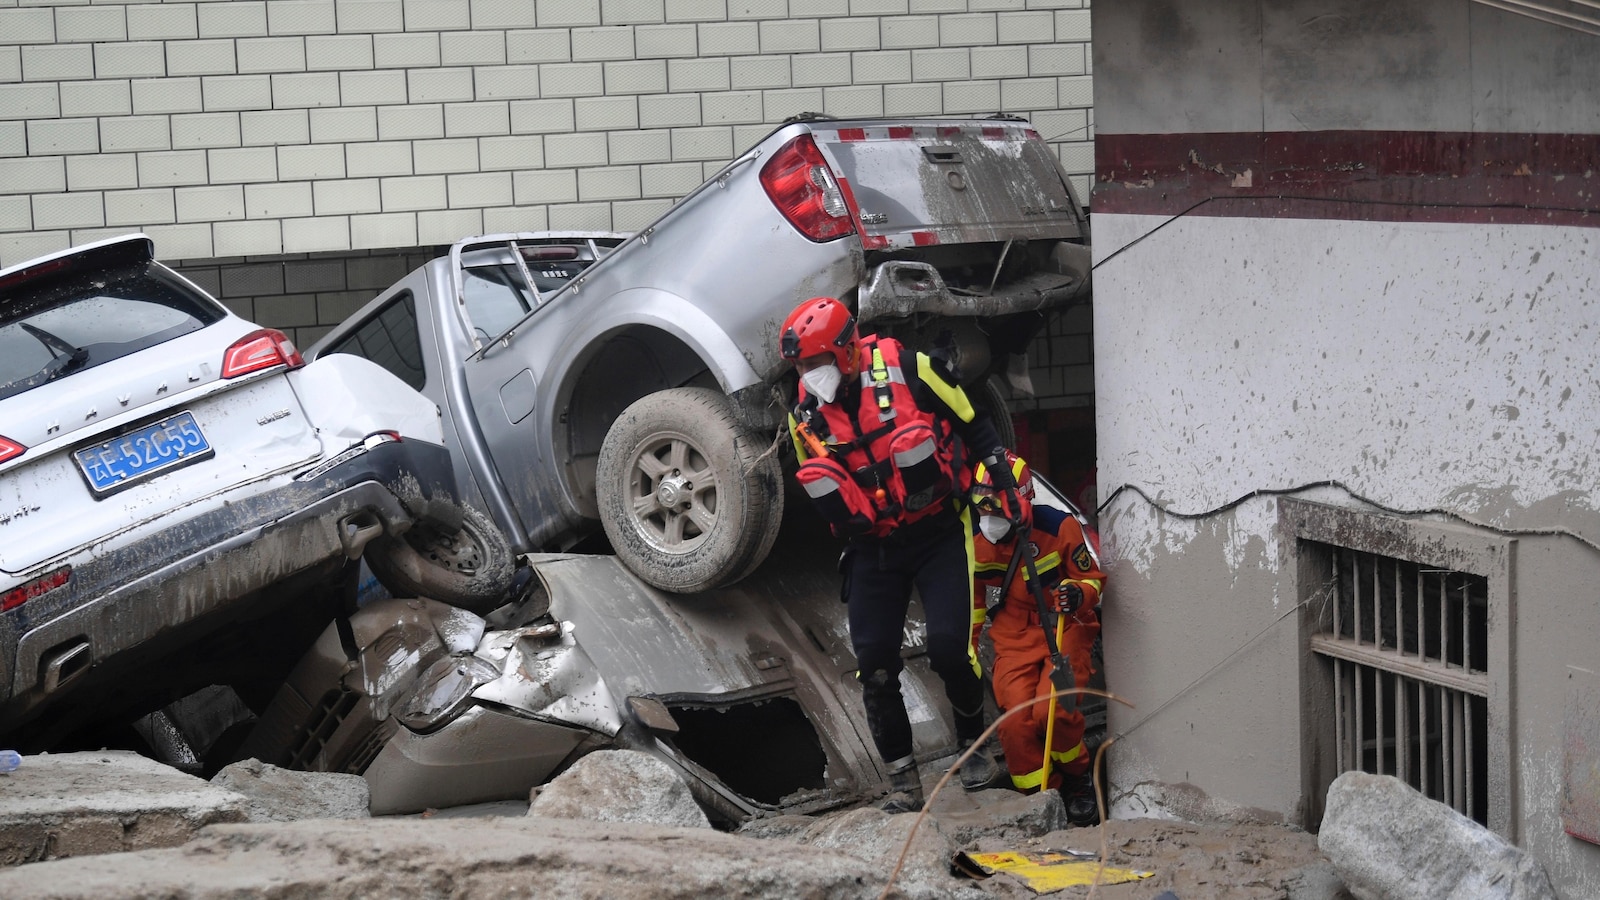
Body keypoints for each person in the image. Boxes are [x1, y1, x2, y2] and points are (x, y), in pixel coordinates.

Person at [779, 295, 1012, 813]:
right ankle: (903, 783)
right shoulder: (805, 415)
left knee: (950, 648)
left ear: (846, 351)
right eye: (801, 366)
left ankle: (973, 749)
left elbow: (972, 423)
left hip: (938, 532)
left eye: (816, 362)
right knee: (876, 664)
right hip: (872, 546)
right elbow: (818, 482)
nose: (809, 374)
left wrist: (999, 477)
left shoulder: (912, 369)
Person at [970, 451, 1104, 826]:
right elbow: (975, 603)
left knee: (1053, 710)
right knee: (1014, 722)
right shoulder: (975, 539)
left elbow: (1092, 578)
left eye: (995, 506)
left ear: (1022, 499)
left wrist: (1080, 594)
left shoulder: (1059, 527)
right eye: (981, 505)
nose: (988, 516)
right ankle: (1039, 796)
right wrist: (967, 646)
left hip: (1065, 627)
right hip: (1013, 632)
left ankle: (1078, 780)